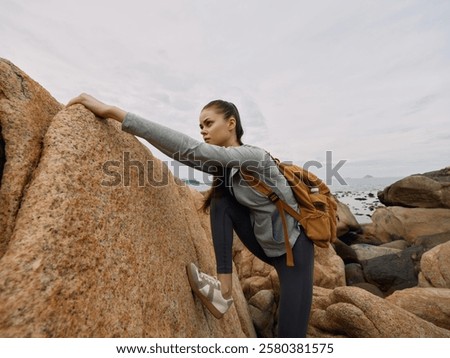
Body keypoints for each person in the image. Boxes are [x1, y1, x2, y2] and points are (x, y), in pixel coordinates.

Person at [66, 94, 315, 338]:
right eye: (200, 126)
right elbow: (182, 153)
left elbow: (191, 148)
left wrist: (112, 111)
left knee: (290, 339)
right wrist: (128, 129)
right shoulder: (225, 169)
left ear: (231, 124)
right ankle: (224, 292)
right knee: (221, 200)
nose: (203, 131)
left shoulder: (254, 157)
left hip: (295, 251)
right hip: (266, 244)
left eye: (209, 123)